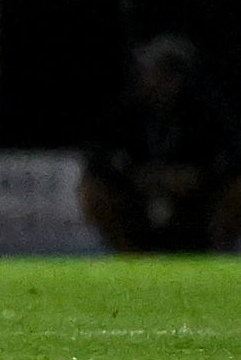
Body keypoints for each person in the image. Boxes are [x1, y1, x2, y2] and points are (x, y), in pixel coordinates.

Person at [83, 35, 241, 253]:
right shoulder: (128, 110)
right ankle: (130, 258)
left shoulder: (207, 110)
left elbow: (231, 155)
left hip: (196, 201)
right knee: (92, 190)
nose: (148, 79)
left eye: (156, 72)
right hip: (140, 197)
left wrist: (197, 175)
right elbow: (98, 158)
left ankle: (214, 253)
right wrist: (137, 176)